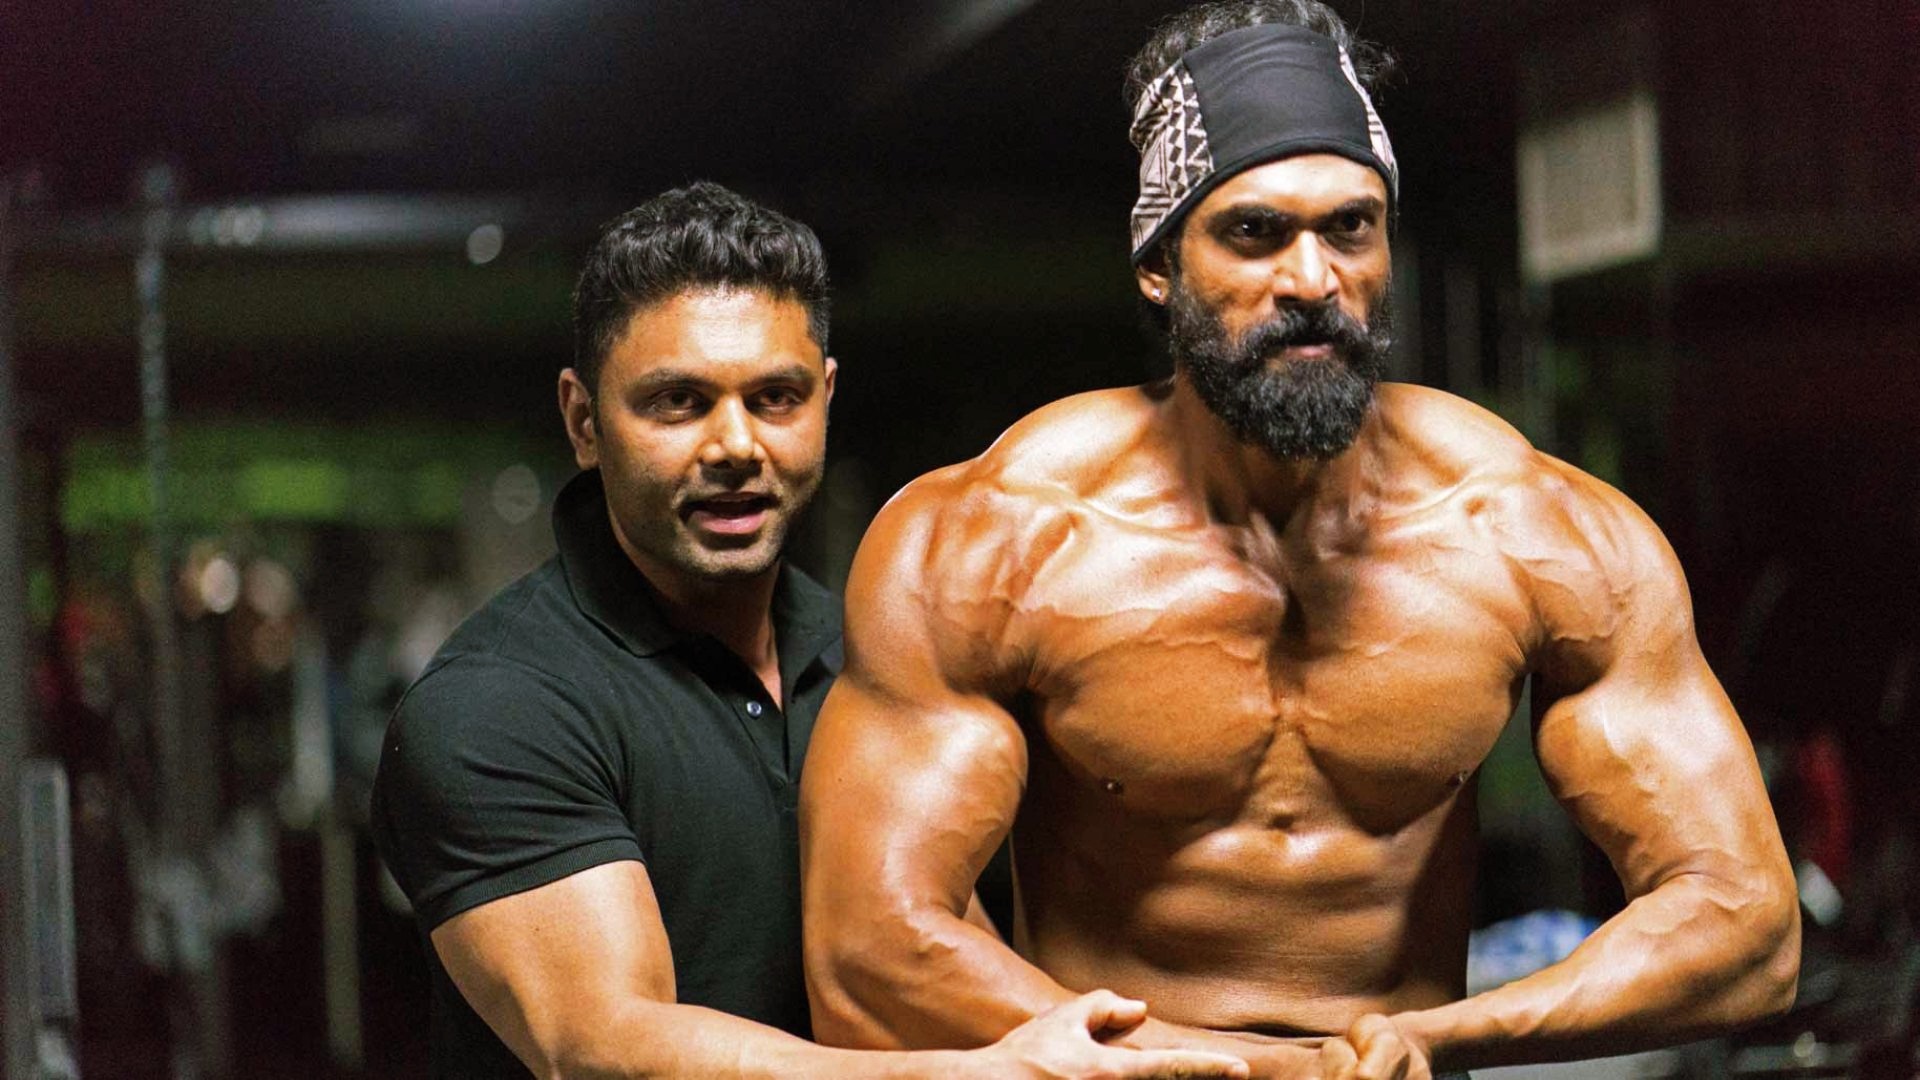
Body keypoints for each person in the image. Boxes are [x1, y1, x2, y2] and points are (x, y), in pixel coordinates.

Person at [797, 3, 1801, 1077]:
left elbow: (1746, 930)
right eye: (1255, 233)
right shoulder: (992, 541)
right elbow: (866, 959)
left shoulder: (1531, 530)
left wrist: (1435, 1039)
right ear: (1158, 265)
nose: (1314, 281)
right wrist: (1221, 1067)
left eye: (1350, 227)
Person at [370, 182, 1251, 1079]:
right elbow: (604, 1047)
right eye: (678, 402)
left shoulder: (875, 652)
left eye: (776, 397)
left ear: (826, 397)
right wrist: (977, 1076)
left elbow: (939, 960)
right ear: (584, 422)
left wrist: (1282, 1061)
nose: (736, 445)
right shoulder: (495, 706)